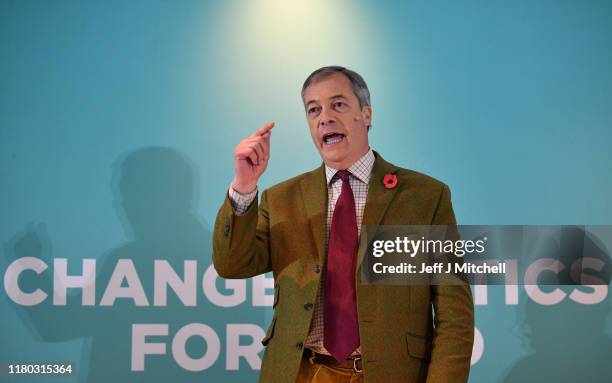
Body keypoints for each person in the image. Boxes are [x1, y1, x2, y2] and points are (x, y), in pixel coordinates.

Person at [213, 66, 474, 383]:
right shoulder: (280, 199)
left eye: (338, 104)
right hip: (300, 374)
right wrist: (244, 188)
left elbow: (454, 314)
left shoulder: (424, 197)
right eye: (314, 109)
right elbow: (231, 265)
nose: (324, 117)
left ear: (366, 114)